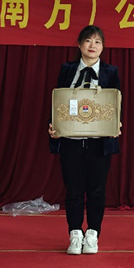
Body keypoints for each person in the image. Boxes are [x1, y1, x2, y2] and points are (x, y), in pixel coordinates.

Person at [48, 25, 120, 255]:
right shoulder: (67, 69)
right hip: (71, 140)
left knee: (97, 190)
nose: (92, 45)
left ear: (103, 47)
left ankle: (93, 234)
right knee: (74, 190)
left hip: (99, 141)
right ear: (79, 45)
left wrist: (116, 124)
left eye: (97, 42)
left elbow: (116, 103)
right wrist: (53, 125)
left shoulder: (111, 72)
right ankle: (75, 233)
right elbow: (57, 100)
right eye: (88, 40)